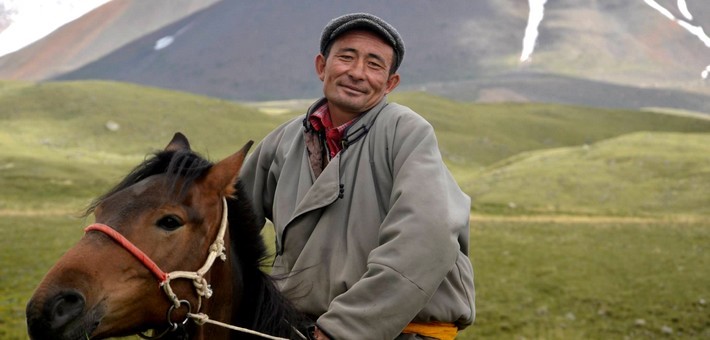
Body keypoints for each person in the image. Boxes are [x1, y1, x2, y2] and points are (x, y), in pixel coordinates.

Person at [240, 12, 475, 340]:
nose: (356, 73)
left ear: (390, 83)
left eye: (374, 64)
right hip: (297, 328)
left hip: (403, 331)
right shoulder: (283, 141)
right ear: (322, 66)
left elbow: (427, 235)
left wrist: (347, 328)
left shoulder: (405, 132)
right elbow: (226, 217)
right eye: (346, 57)